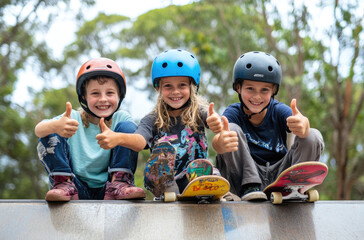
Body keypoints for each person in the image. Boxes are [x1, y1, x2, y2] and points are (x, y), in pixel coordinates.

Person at [98, 49, 222, 197]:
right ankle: (168, 188)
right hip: (161, 179)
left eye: (182, 85)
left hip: (192, 178)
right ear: (158, 88)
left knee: (209, 168)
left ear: (192, 86)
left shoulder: (199, 113)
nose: (175, 91)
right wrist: (118, 138)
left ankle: (206, 188)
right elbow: (139, 141)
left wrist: (215, 121)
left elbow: (213, 119)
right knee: (163, 153)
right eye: (168, 86)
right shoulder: (152, 119)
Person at [212, 51, 325, 201]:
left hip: (280, 175)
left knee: (312, 135)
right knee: (230, 131)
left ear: (273, 91)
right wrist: (220, 143)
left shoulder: (278, 110)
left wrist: (303, 126)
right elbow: (219, 141)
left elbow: (301, 123)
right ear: (238, 88)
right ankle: (249, 186)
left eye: (264, 90)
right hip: (245, 176)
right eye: (250, 88)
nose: (257, 96)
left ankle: (294, 186)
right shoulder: (233, 113)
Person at [35, 58, 146, 201]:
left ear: (120, 96)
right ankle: (62, 183)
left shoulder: (121, 118)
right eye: (95, 94)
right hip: (75, 186)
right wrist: (56, 126)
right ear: (84, 97)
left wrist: (118, 138)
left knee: (128, 129)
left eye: (110, 93)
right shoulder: (73, 118)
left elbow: (139, 143)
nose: (103, 99)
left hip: (108, 187)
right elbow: (39, 130)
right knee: (50, 130)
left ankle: (120, 183)